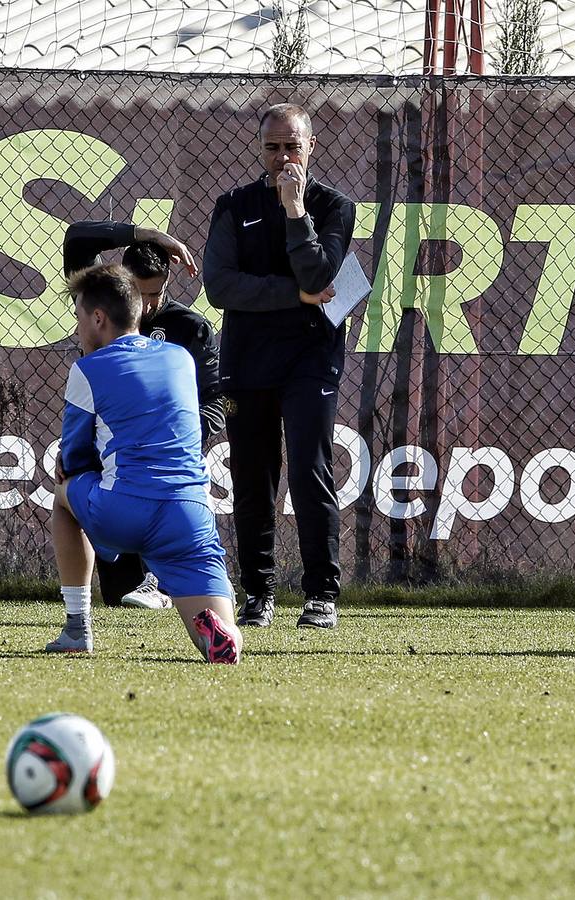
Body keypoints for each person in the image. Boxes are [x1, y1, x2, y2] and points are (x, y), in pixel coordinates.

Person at [202, 102, 355, 630]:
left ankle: (320, 595)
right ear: (260, 149)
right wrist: (296, 295)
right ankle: (258, 593)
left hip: (311, 357)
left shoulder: (333, 207)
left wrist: (294, 212)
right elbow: (220, 286)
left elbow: (320, 276)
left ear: (312, 146)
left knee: (310, 469)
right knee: (252, 477)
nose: (283, 157)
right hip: (248, 359)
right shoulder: (234, 205)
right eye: (273, 147)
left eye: (293, 146)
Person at [45, 264, 241, 664]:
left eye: (79, 316)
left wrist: (71, 468)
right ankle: (219, 635)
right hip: (188, 514)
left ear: (98, 318)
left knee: (63, 496)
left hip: (125, 508)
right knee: (221, 638)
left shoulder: (87, 368)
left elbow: (76, 457)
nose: (78, 327)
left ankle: (77, 627)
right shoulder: (180, 359)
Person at [62, 221, 224, 610]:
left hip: (167, 466)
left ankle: (86, 618)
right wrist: (148, 235)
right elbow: (78, 239)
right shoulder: (103, 314)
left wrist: (168, 436)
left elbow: (219, 402)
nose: (148, 305)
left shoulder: (189, 331)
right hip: (112, 459)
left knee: (69, 493)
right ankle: (190, 609)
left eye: (157, 293)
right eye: (139, 292)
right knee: (120, 598)